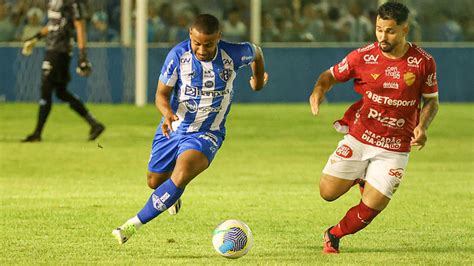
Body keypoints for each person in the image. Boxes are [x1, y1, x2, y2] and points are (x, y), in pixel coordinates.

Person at [112, 14, 268, 244]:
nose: (202, 49)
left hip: (208, 132)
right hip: (174, 126)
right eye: (197, 43)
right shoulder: (178, 56)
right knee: (155, 182)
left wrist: (257, 80)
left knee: (182, 173)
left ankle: (130, 226)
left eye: (208, 44)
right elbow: (161, 95)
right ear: (190, 36)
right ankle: (172, 196)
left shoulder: (233, 53)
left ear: (219, 38)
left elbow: (256, 52)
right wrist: (166, 114)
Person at [309, 2, 439, 254]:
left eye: (389, 31)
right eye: (379, 29)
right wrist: (318, 90)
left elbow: (431, 101)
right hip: (360, 137)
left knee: (374, 205)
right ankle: (361, 175)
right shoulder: (363, 56)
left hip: (395, 146)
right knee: (327, 193)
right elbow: (329, 75)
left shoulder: (423, 62)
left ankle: (333, 235)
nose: (382, 36)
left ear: (404, 30)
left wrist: (422, 126)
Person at [21, 0, 105, 142]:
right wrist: (36, 37)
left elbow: (79, 26)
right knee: (61, 92)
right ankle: (94, 124)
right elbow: (53, 24)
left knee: (46, 89)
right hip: (52, 49)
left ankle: (37, 133)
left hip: (60, 51)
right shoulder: (53, 2)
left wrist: (82, 56)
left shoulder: (71, 2)